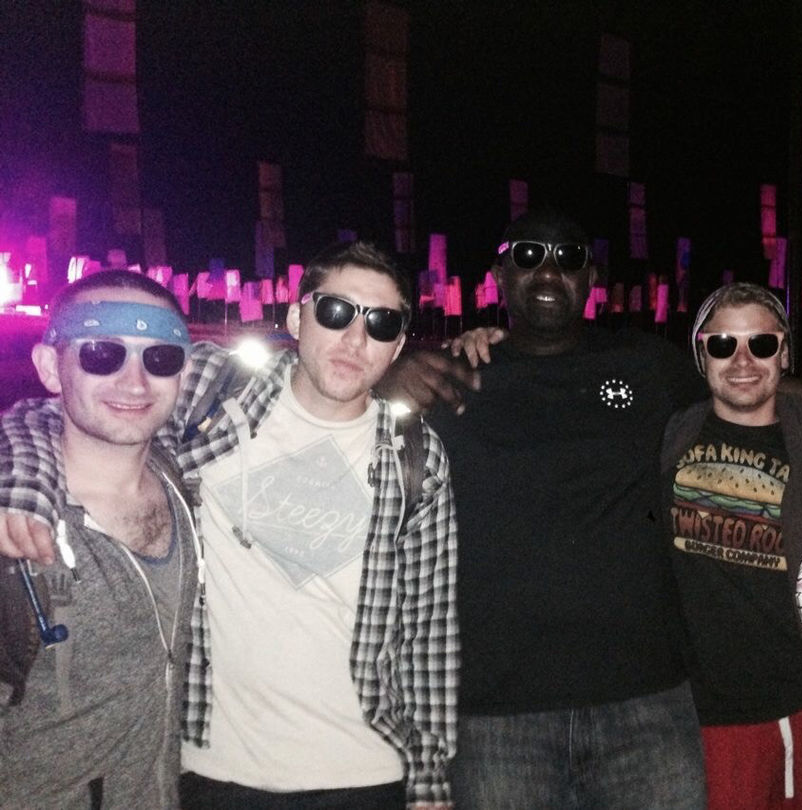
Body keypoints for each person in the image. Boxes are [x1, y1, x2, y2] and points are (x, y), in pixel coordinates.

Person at [0, 241, 459, 809]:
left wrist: (430, 776)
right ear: (298, 317)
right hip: (212, 771)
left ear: (399, 345)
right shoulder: (217, 394)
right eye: (336, 311)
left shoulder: (415, 455)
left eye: (381, 323)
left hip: (365, 770)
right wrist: (23, 485)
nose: (354, 338)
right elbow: (67, 408)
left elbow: (427, 630)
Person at [381, 209, 708, 808]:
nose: (549, 271)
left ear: (592, 278)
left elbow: (757, 397)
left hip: (646, 697)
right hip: (498, 712)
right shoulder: (453, 373)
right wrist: (386, 378)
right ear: (499, 275)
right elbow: (335, 410)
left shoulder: (647, 364)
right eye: (529, 256)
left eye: (568, 257)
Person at [659, 282, 802, 809]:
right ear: (702, 354)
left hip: (796, 703)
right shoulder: (668, 436)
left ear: (783, 352)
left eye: (760, 344)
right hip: (694, 711)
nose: (742, 361)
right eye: (723, 345)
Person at [0, 270, 201, 809]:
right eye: (101, 354)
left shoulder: (182, 481)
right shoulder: (10, 527)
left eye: (160, 358)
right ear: (51, 367)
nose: (135, 383)